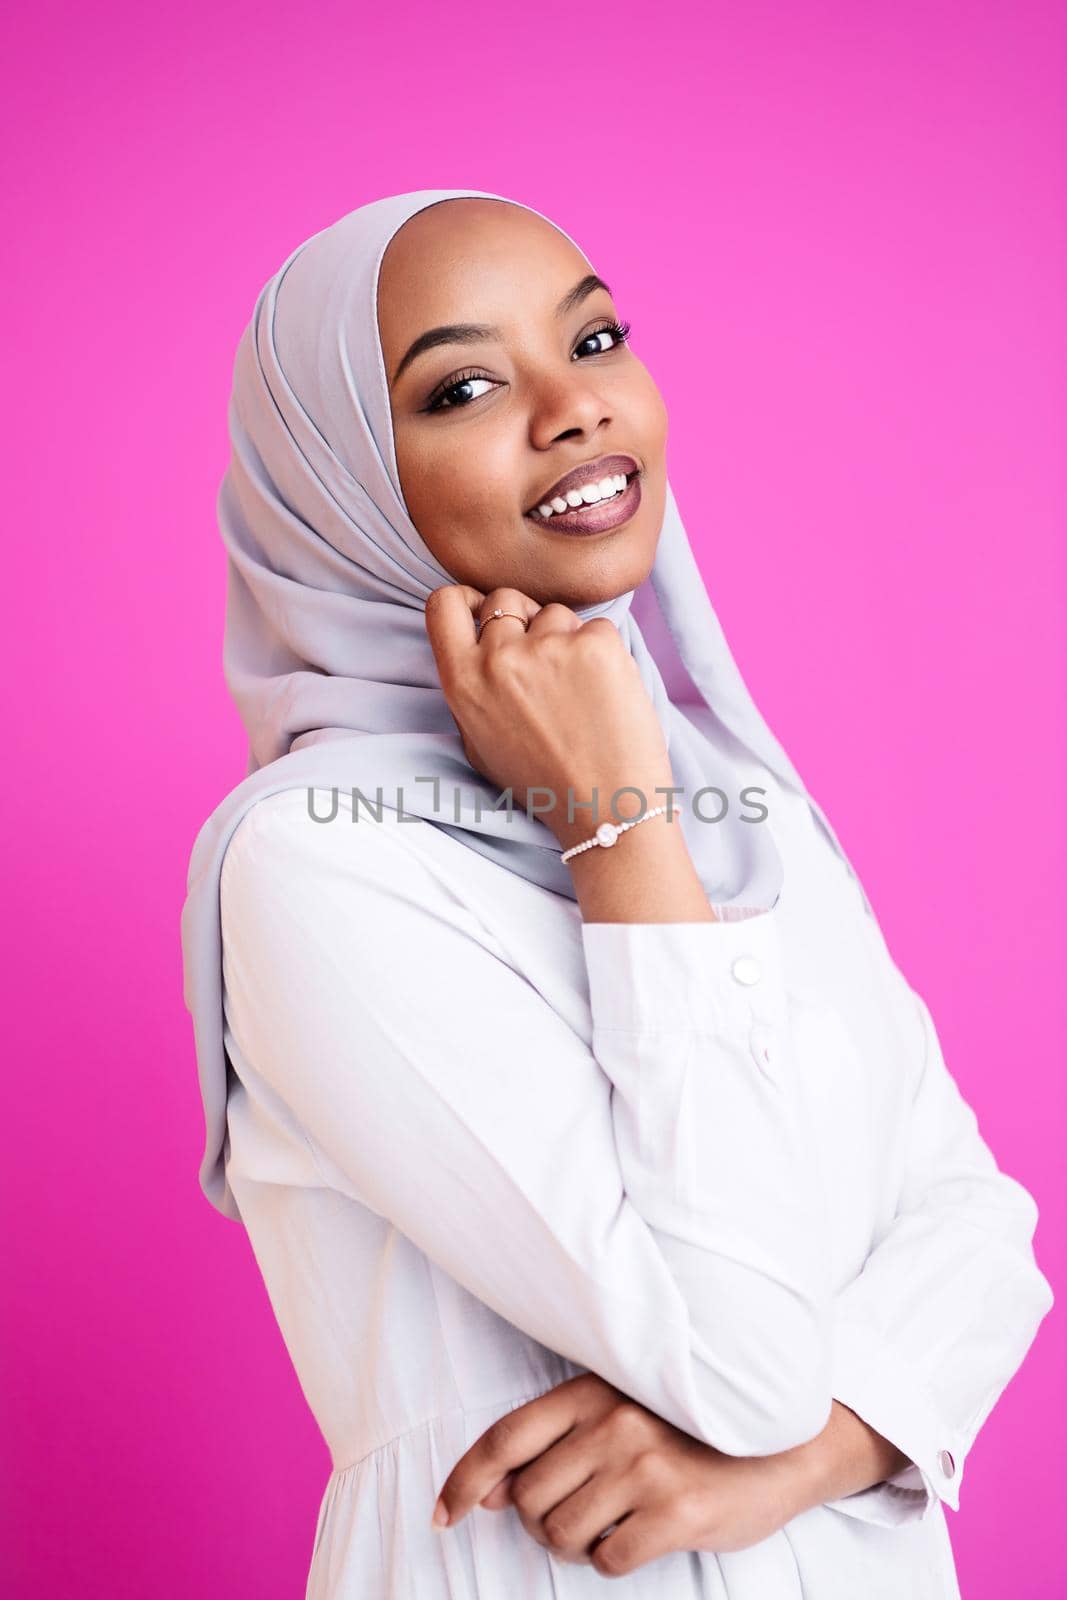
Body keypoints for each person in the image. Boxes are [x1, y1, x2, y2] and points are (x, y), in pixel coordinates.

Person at [180, 188, 1053, 1598]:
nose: (573, 408)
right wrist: (614, 825)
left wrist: (805, 1460)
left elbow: (980, 1232)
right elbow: (741, 1357)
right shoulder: (317, 866)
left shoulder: (743, 808)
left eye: (593, 341)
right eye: (462, 386)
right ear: (342, 479)